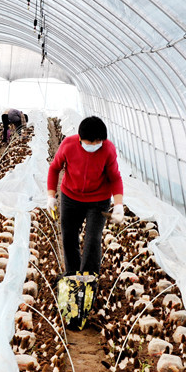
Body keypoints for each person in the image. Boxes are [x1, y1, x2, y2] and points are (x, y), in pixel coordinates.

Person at [47, 115, 124, 276]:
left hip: (98, 200)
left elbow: (115, 177)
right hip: (70, 197)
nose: (96, 145)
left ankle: (89, 280)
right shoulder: (68, 145)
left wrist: (118, 205)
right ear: (80, 138)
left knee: (93, 240)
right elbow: (54, 168)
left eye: (99, 142)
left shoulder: (108, 150)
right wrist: (51, 196)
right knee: (69, 237)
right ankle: (73, 276)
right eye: (91, 143)